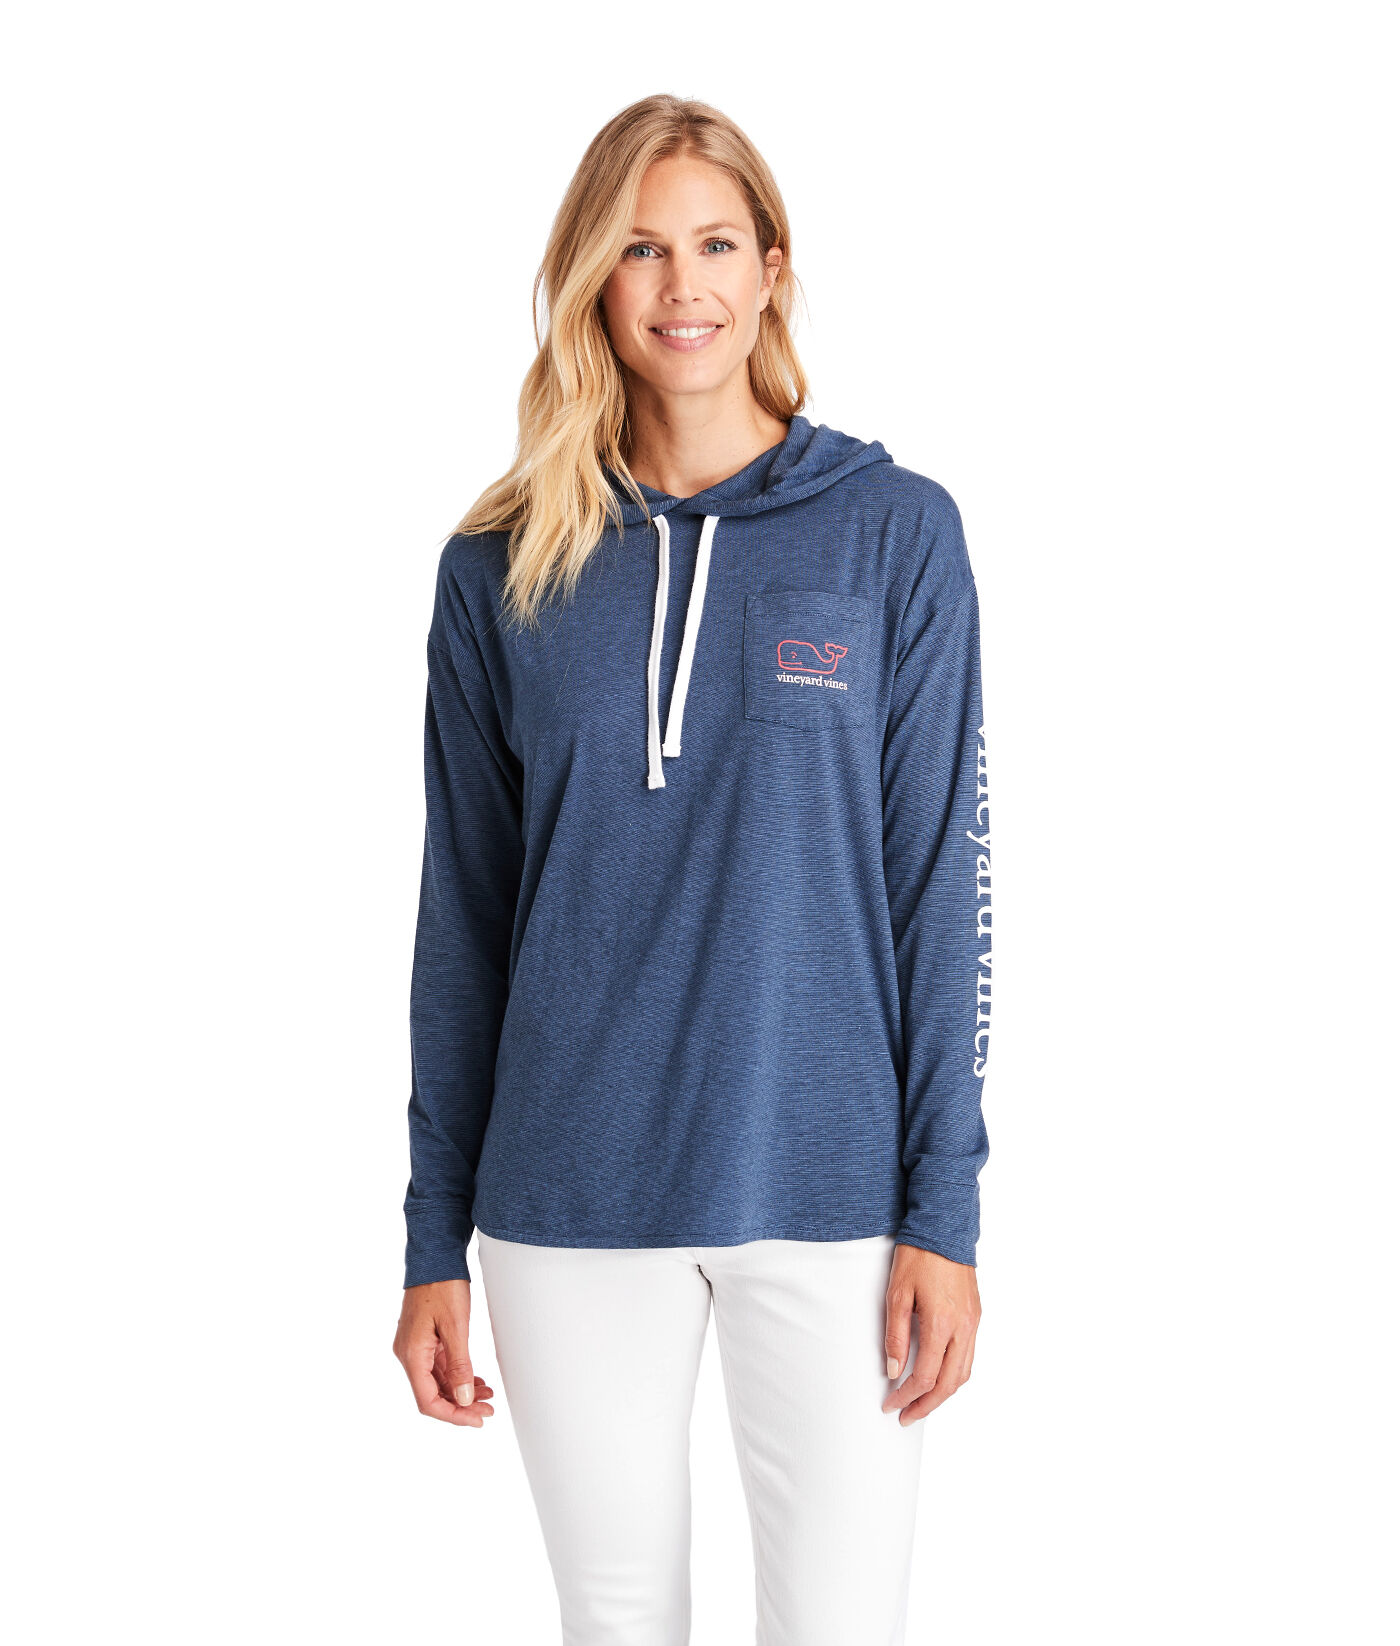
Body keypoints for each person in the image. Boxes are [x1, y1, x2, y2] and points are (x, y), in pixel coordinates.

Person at [391, 92, 993, 1646]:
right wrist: (430, 1233)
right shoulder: (502, 563)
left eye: (716, 245)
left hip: (829, 1186)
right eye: (641, 248)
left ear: (773, 269)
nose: (682, 287)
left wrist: (946, 1210)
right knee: (615, 1621)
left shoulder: (893, 536)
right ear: (592, 278)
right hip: (568, 1191)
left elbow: (939, 888)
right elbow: (464, 917)